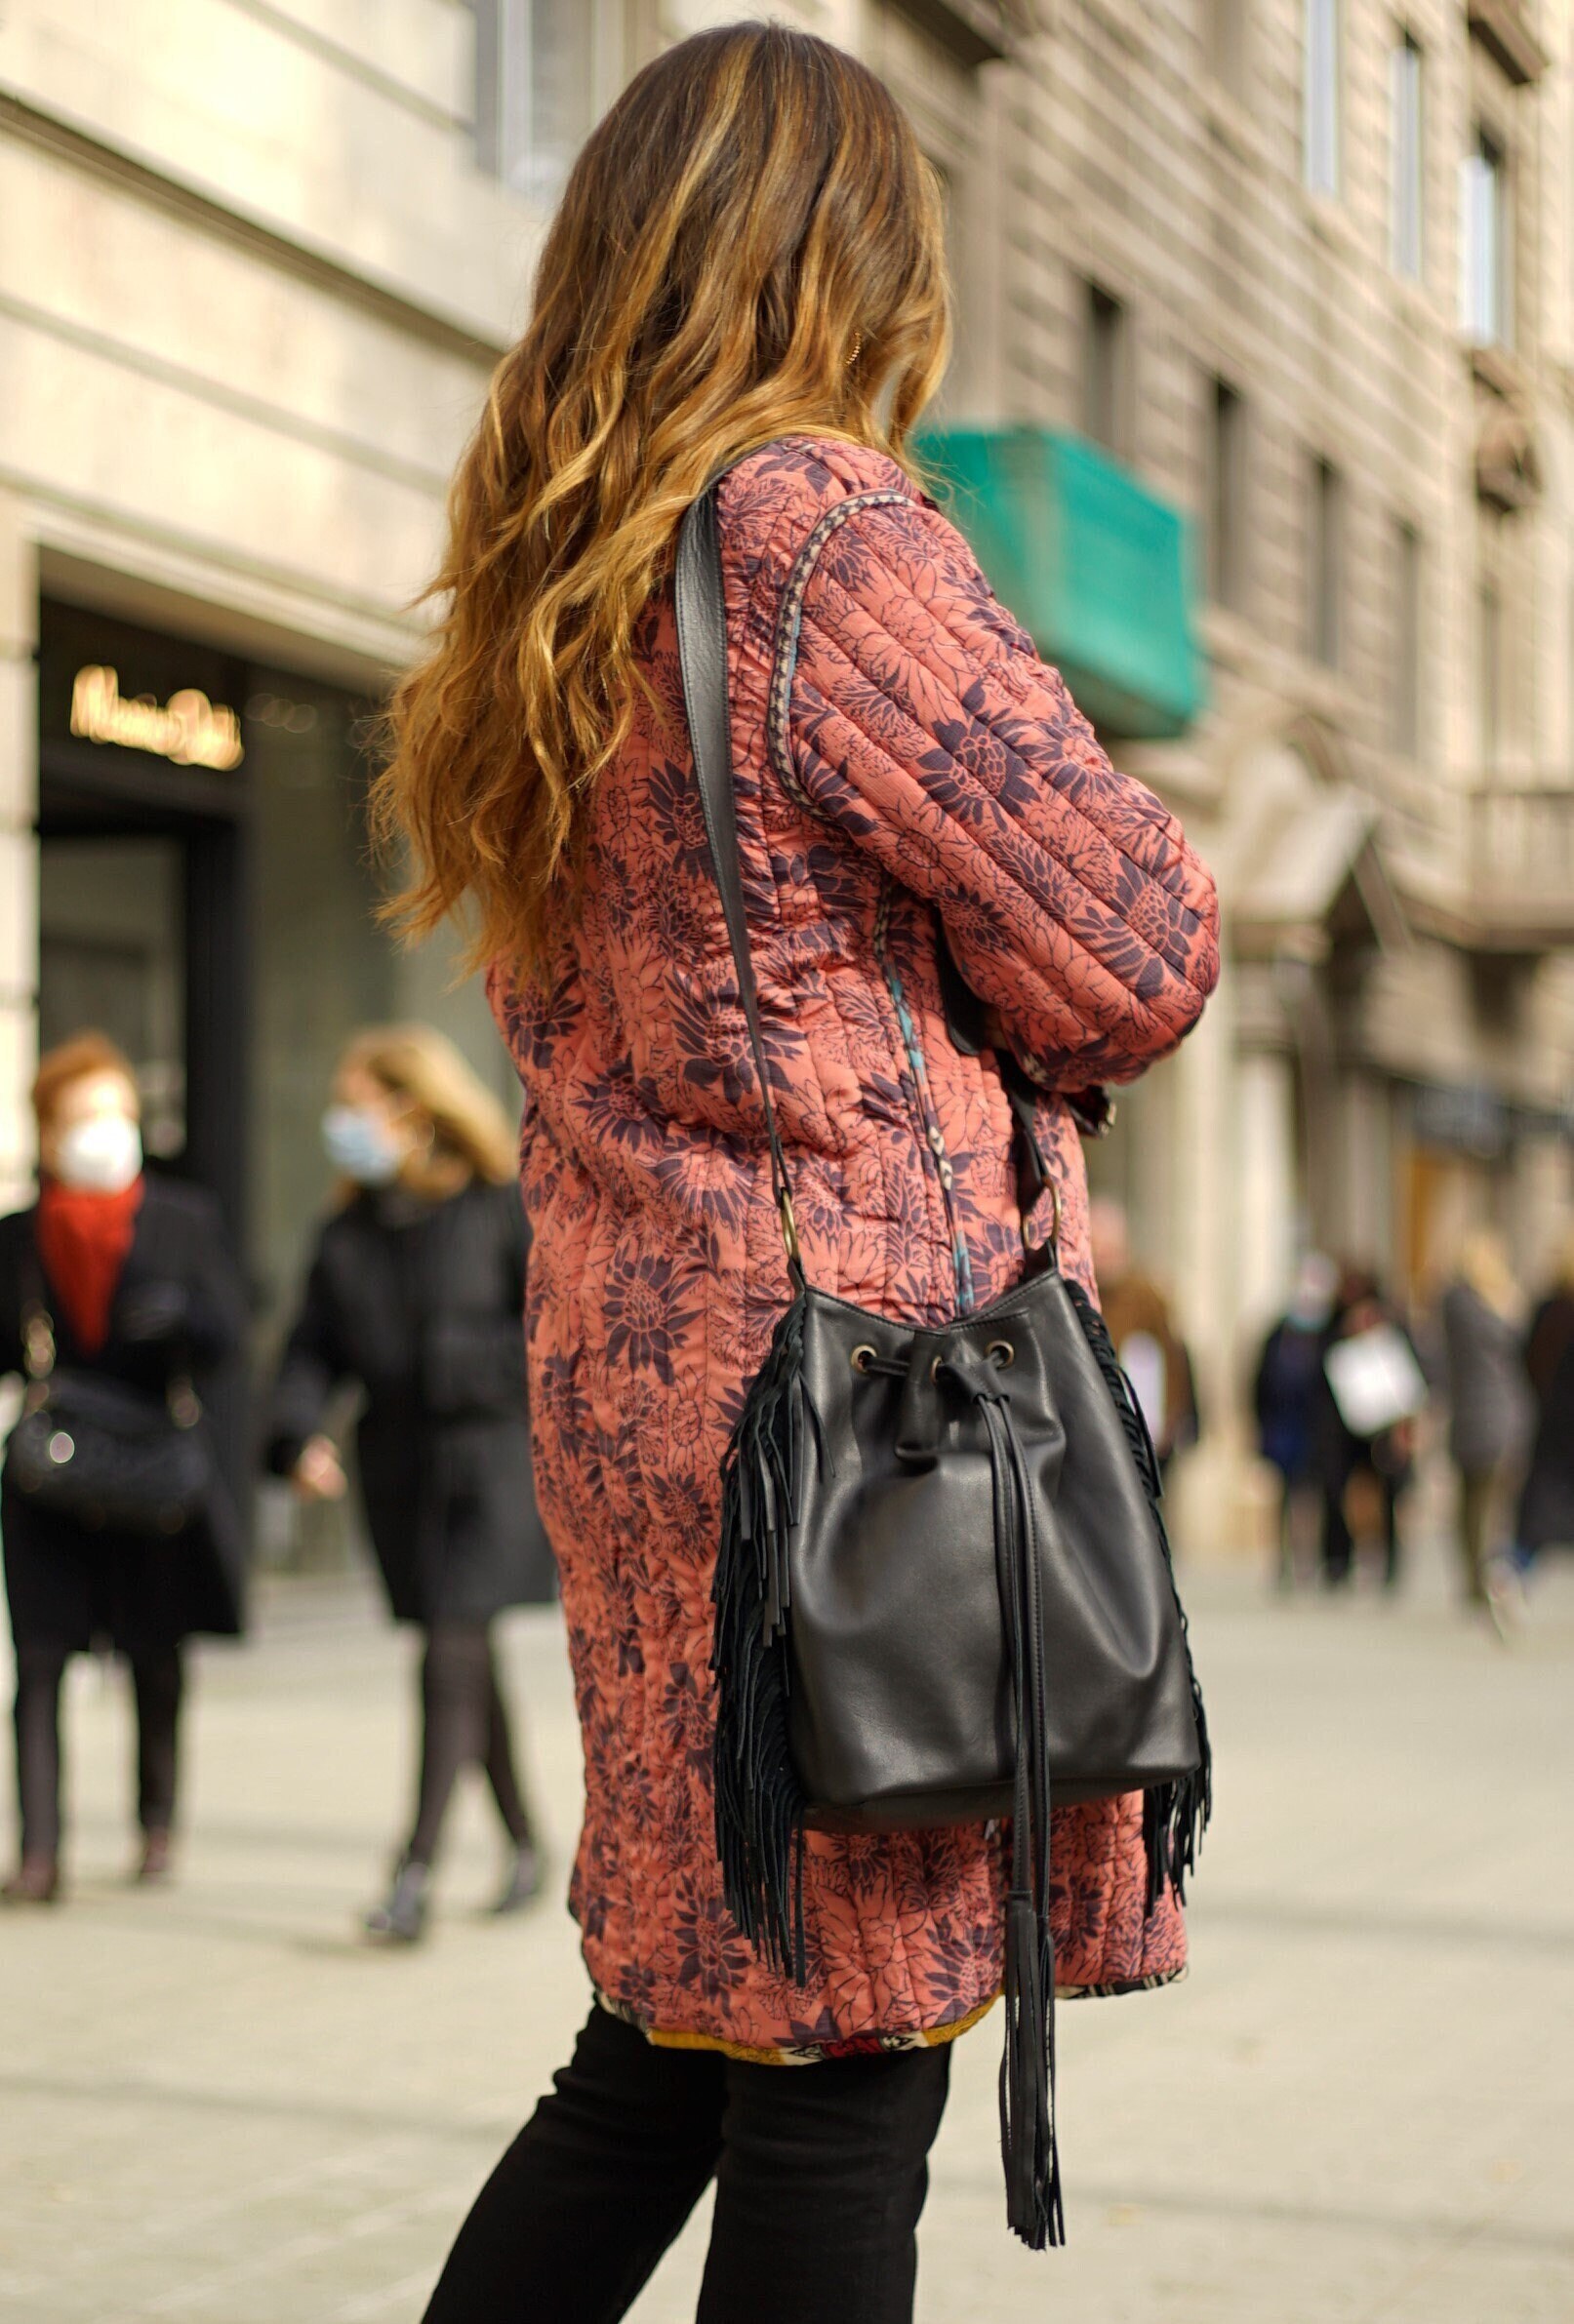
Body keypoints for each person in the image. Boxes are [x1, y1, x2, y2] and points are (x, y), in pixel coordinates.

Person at [375, 26, 1220, 2319]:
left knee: (668, 2045)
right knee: (844, 2064)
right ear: (845, 260)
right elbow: (1135, 947)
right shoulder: (818, 528)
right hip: (856, 1426)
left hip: (655, 1403)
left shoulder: (567, 563)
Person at [266, 1024, 550, 1943]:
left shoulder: (499, 1207)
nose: (344, 1124)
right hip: (398, 1474)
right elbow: (312, 1349)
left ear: (416, 1110)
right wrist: (296, 1434)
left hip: (490, 1466)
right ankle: (526, 1842)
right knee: (460, 1656)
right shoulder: (346, 1232)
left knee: (447, 1648)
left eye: (359, 1105)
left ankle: (414, 1871)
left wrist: (452, 1364)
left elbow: (551, 1334)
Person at [0, 1031, 246, 1902]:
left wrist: (185, 1321)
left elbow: (229, 1340)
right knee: (38, 1663)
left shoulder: (184, 1223)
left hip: (151, 1473)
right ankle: (39, 1855)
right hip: (51, 1477)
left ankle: (156, 1825)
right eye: (81, 1116)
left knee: (155, 1656)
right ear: (47, 1130)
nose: (102, 1131)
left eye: (115, 1112)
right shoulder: (20, 1237)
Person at [1439, 1229, 1533, 1609]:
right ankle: (1489, 1574)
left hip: (1472, 1416)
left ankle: (1478, 1576)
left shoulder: (1456, 1306)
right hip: (1499, 1415)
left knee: (1472, 1503)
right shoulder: (1495, 1308)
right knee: (1488, 1503)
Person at [1312, 1266, 1420, 1591]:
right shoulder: (1332, 1327)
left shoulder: (1392, 1327)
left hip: (1384, 1421)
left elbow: (1411, 1376)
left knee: (1389, 1491)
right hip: (1341, 1423)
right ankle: (1337, 1560)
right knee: (1335, 1490)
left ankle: (1389, 1564)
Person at [1088, 1196, 1199, 1481]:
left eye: (1110, 1248)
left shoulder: (1147, 1298)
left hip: (1144, 1430)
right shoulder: (1082, 1298)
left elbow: (1174, 1359)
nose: (1105, 1256)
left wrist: (1172, 1417)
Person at [1253, 1252, 1339, 1590]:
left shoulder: (1329, 1334)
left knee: (1313, 1495)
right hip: (1284, 1428)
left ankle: (1311, 1557)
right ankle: (1284, 1559)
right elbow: (1260, 1381)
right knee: (1285, 1495)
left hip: (1317, 1430)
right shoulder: (1278, 1333)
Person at [1515, 1231, 1574, 1569]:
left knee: (1540, 1506)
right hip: (1559, 1420)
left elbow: (1526, 1359)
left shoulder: (1545, 1311)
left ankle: (1515, 1568)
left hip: (1549, 1416)